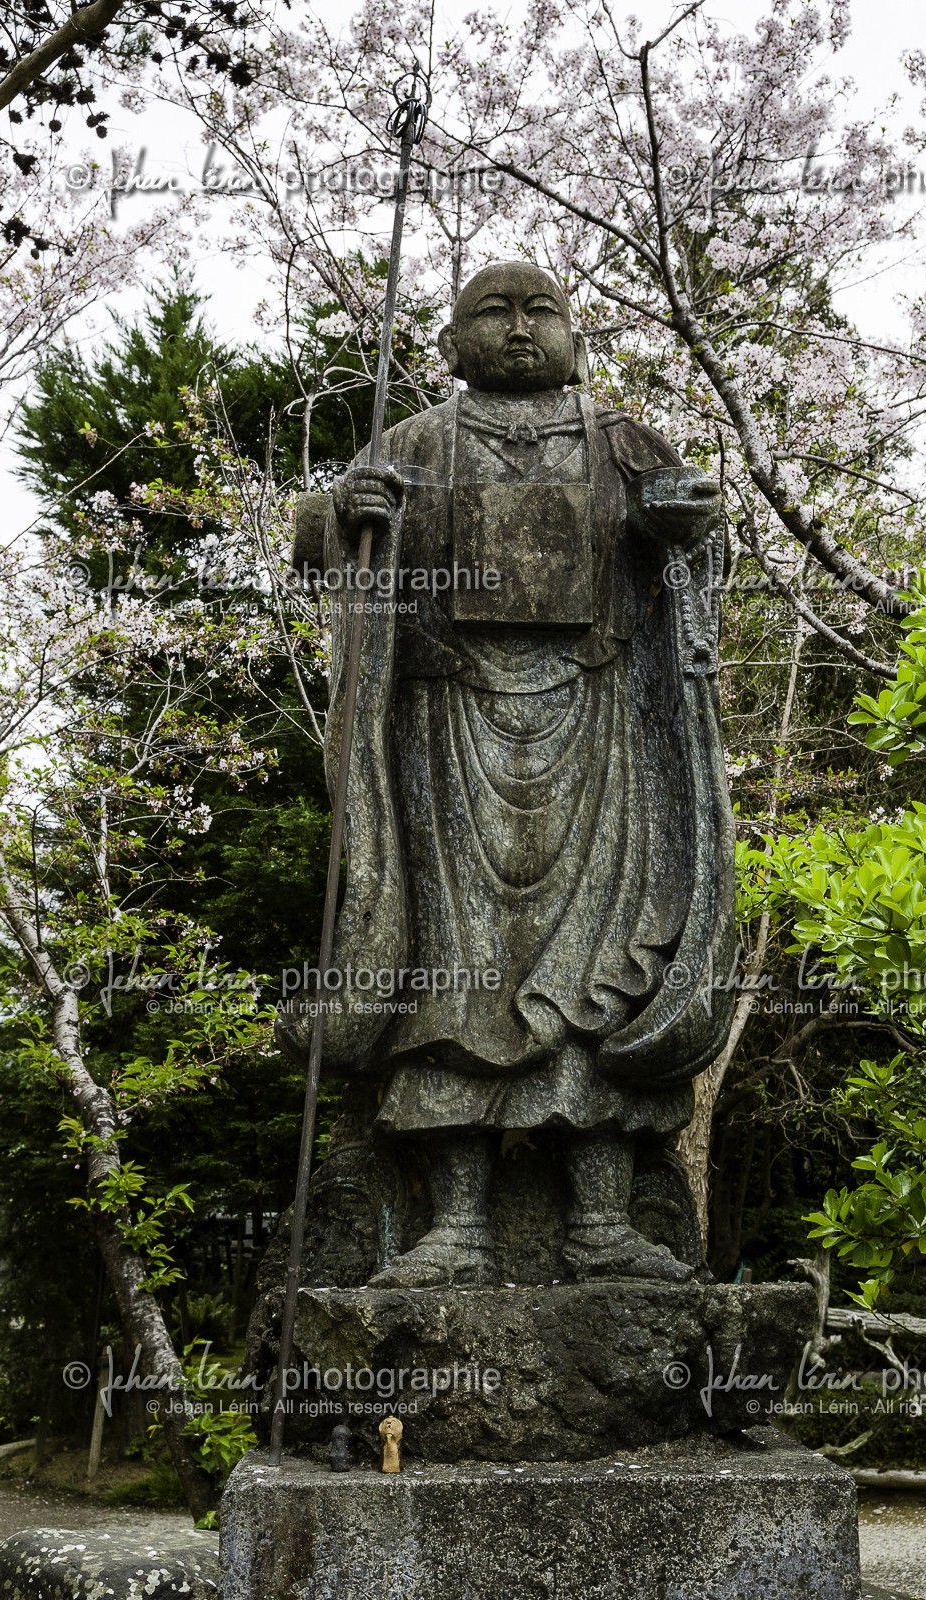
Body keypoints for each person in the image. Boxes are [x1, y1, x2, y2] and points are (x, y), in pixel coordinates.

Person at [279, 262, 735, 1288]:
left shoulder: (619, 442)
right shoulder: (416, 442)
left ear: (573, 333)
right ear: (452, 335)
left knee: (598, 972)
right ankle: (457, 1223)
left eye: (542, 312)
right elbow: (317, 541)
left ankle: (602, 1220)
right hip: (449, 731)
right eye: (494, 310)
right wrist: (343, 510)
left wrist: (681, 525)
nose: (520, 329)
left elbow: (706, 539)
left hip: (600, 732)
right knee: (451, 973)